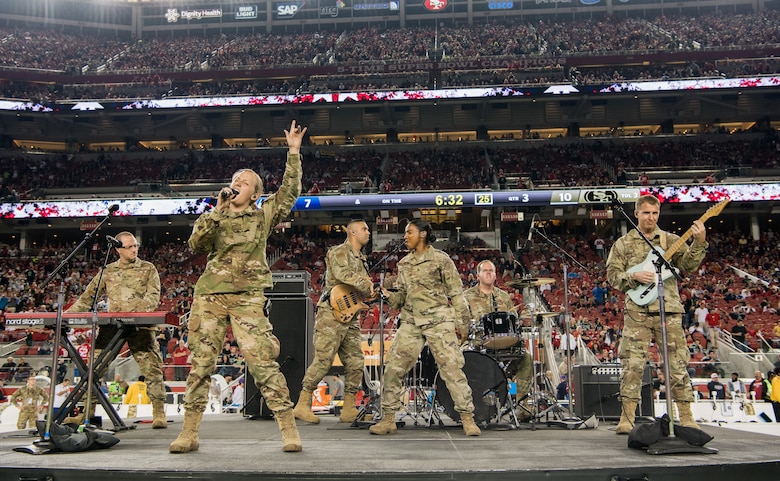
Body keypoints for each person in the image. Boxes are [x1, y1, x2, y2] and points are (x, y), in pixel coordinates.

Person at [169, 120, 306, 454]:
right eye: (234, 181)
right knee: (201, 363)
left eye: (244, 183)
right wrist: (216, 211)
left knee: (262, 362)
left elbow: (289, 193)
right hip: (211, 296)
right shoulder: (215, 215)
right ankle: (190, 431)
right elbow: (197, 245)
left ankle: (288, 428)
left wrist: (293, 152)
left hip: (247, 297)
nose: (236, 185)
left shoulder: (262, 216)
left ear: (255, 193)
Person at [606, 194, 708, 434]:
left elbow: (689, 266)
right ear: (637, 214)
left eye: (655, 213)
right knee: (632, 364)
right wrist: (633, 277)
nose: (651, 217)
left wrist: (699, 242)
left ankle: (685, 414)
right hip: (637, 311)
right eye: (646, 213)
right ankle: (627, 417)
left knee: (677, 364)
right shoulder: (623, 243)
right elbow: (612, 275)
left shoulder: (670, 240)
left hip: (668, 308)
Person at [370, 219, 481, 437]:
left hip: (439, 320)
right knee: (393, 368)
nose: (405, 236)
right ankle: (388, 418)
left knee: (452, 369)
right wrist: (387, 294)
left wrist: (463, 322)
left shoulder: (441, 259)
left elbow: (456, 293)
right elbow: (400, 298)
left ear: (422, 234)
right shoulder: (403, 264)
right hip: (411, 321)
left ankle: (467, 418)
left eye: (409, 232)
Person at [65, 231, 167, 429]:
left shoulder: (148, 268)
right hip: (112, 326)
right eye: (129, 246)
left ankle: (158, 411)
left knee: (152, 369)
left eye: (136, 245)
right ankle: (87, 412)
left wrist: (134, 313)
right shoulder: (108, 271)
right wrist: (65, 316)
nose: (134, 249)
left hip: (140, 326)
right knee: (94, 368)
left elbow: (153, 297)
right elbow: (87, 298)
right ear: (118, 249)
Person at [293, 219, 374, 425]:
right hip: (331, 313)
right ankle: (302, 404)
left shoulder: (362, 259)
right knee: (323, 361)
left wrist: (371, 290)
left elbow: (359, 289)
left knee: (356, 361)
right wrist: (366, 283)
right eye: (364, 229)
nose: (368, 232)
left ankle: (349, 407)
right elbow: (342, 274)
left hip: (351, 315)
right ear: (352, 232)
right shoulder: (339, 252)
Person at [463, 260, 533, 399]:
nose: (489, 273)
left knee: (527, 359)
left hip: (504, 345)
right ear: (478, 276)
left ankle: (520, 403)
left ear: (495, 275)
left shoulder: (504, 296)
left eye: (491, 271)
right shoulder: (466, 297)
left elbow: (512, 321)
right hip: (477, 345)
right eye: (485, 271)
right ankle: (469, 403)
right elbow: (461, 324)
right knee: (459, 358)